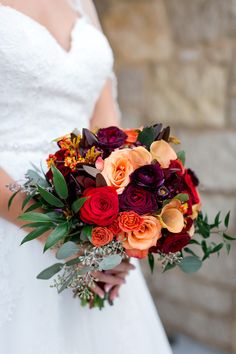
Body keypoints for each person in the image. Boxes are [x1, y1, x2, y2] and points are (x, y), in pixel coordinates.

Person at [0, 1, 173, 353]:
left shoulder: (81, 4)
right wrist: (65, 239)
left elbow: (105, 125)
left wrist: (121, 227)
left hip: (87, 206)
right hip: (13, 210)